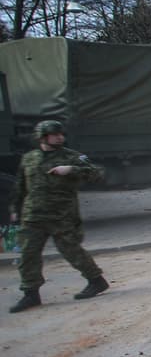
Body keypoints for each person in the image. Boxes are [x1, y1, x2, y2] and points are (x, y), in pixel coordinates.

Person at [8, 119, 109, 313]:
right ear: (43, 137)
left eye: (61, 134)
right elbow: (20, 185)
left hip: (61, 215)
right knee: (28, 254)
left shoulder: (71, 157)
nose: (60, 137)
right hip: (33, 215)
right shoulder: (29, 158)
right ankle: (30, 293)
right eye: (55, 134)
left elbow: (98, 173)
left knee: (71, 251)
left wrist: (72, 169)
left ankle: (96, 280)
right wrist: (15, 208)